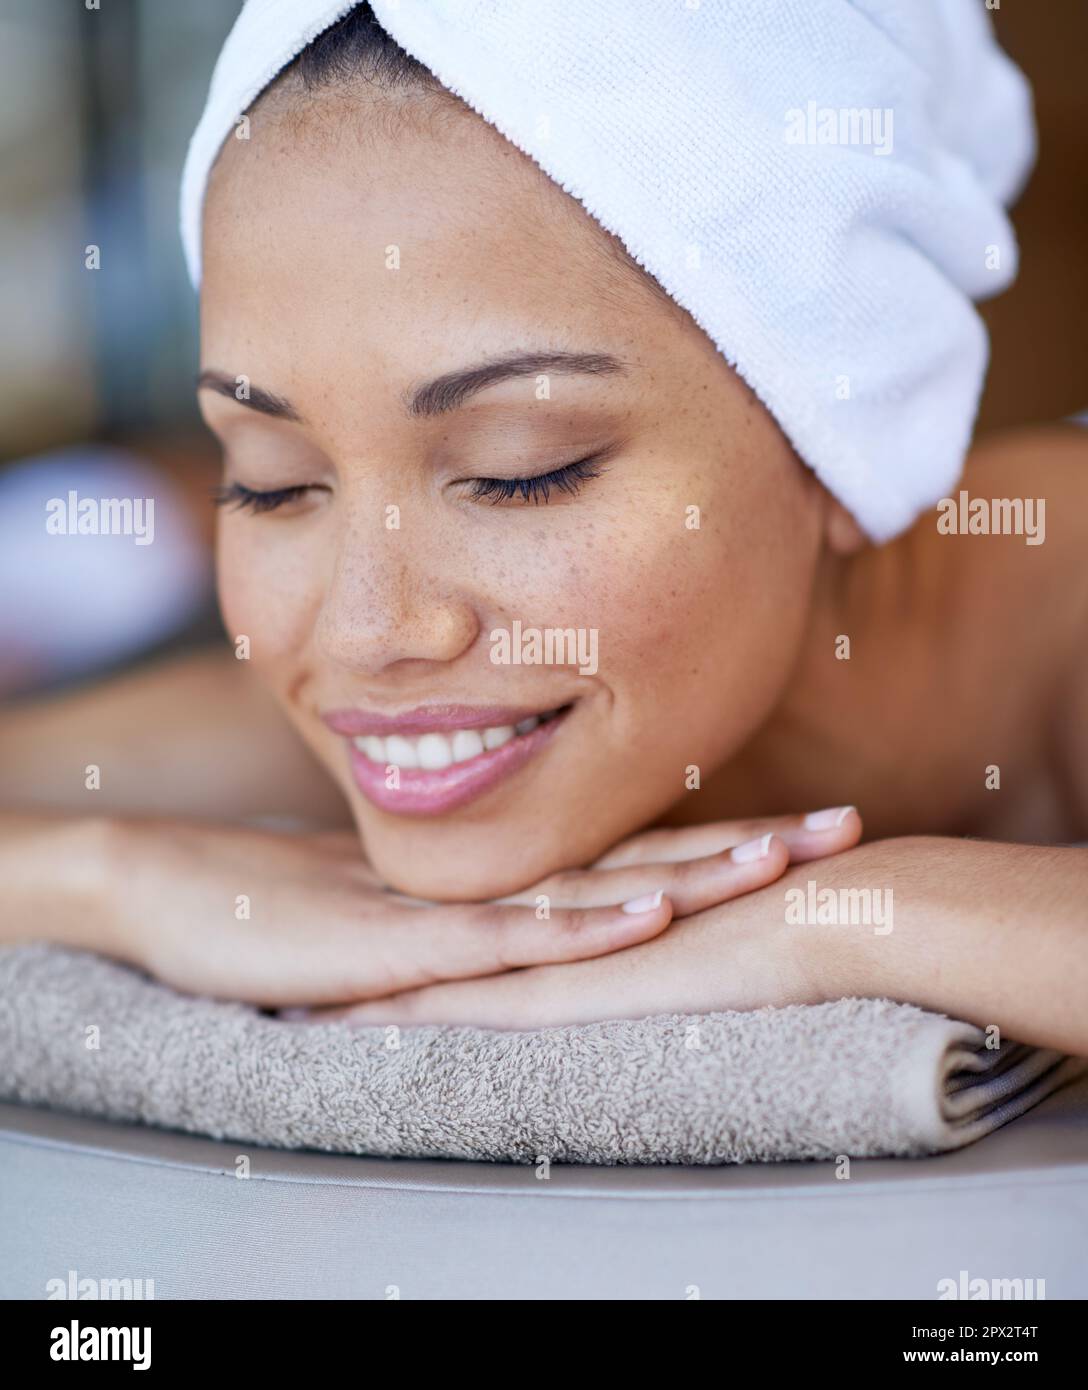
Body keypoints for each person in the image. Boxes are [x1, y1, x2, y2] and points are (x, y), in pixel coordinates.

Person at [3, 3, 1085, 1051]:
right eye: (275, 482)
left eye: (518, 473)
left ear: (852, 437)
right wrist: (122, 878)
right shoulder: (414, 717)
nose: (367, 631)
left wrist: (843, 920)